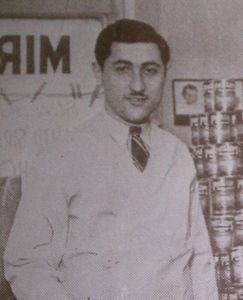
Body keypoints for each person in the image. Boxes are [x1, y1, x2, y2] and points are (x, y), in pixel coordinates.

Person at [4, 19, 218, 299]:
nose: (138, 85)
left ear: (165, 73)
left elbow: (199, 260)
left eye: (150, 71)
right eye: (123, 69)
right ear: (98, 72)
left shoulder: (177, 156)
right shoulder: (60, 156)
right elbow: (28, 264)